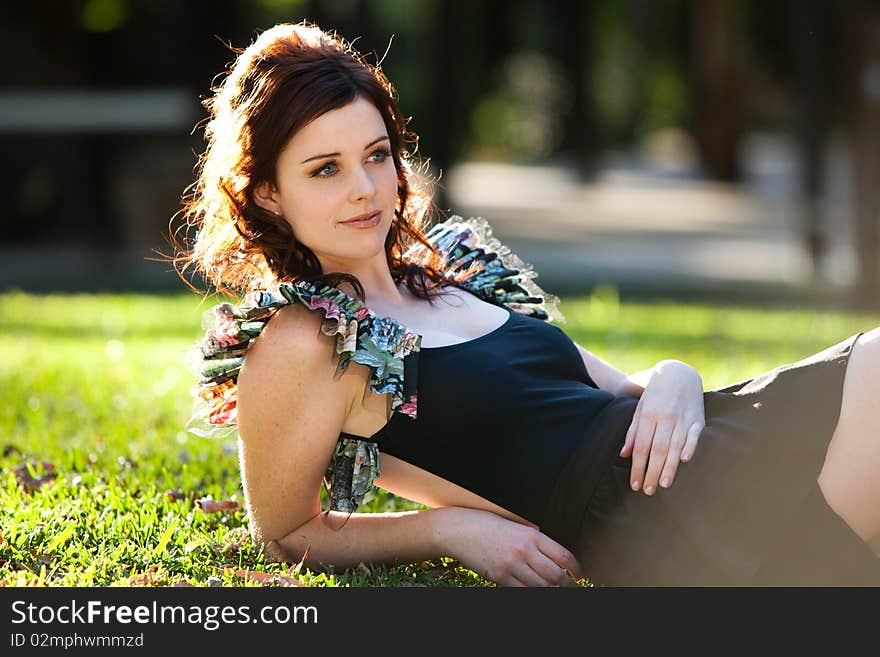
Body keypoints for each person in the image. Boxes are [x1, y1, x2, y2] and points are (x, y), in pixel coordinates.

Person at [172, 21, 880, 587]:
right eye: (325, 169)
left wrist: (676, 375)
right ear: (267, 192)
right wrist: (451, 528)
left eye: (377, 154)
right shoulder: (304, 337)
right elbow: (286, 531)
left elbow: (617, 389)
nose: (365, 187)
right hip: (673, 520)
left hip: (712, 442)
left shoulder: (448, 277)